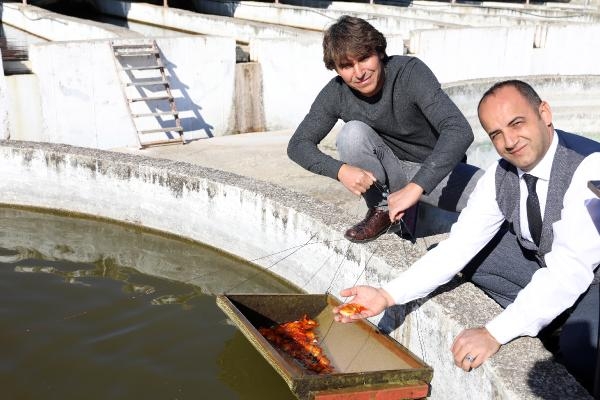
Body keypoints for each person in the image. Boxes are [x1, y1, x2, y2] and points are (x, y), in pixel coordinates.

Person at [332, 79, 600, 391]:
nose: (510, 141)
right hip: (548, 265)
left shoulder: (588, 166)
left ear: (545, 113)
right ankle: (543, 318)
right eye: (496, 134)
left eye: (517, 123)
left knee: (581, 346)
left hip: (592, 278)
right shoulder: (500, 174)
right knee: (459, 256)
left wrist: (494, 333)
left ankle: (555, 330)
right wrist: (386, 295)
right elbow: (460, 245)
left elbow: (569, 272)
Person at [287, 15, 482, 243]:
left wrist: (416, 187)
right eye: (347, 66)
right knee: (352, 134)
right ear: (336, 69)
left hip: (439, 173)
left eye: (364, 58)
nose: (359, 72)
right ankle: (380, 211)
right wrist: (340, 171)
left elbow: (458, 129)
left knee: (500, 196)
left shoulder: (409, 72)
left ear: (379, 52)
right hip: (390, 171)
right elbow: (298, 144)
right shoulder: (336, 93)